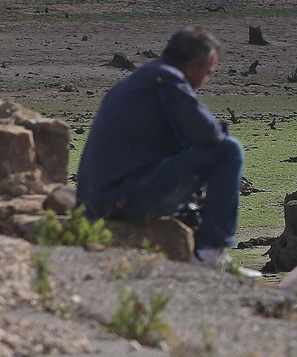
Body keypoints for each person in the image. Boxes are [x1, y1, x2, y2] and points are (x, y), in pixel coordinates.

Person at [76, 26, 244, 269]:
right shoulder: (166, 78)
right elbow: (209, 134)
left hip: (97, 200)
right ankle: (210, 254)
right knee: (229, 150)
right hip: (120, 199)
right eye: (207, 73)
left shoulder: (144, 77)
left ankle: (197, 244)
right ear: (192, 65)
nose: (205, 80)